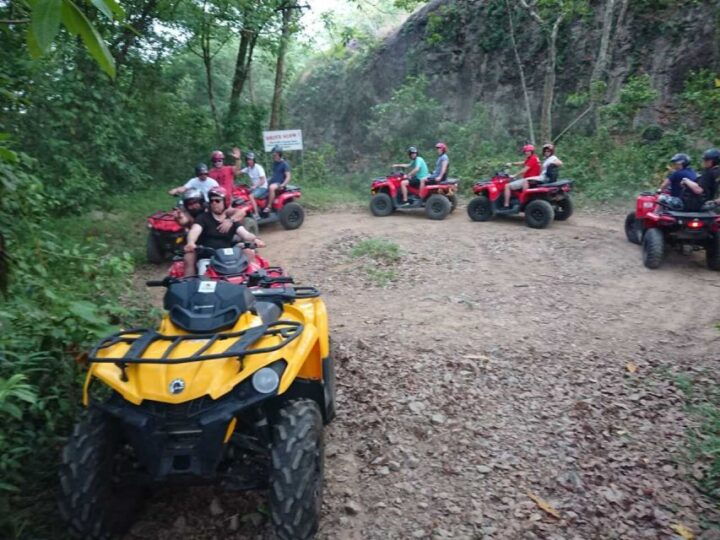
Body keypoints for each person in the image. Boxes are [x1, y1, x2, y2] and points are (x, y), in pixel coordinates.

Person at [183, 187, 265, 277]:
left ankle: (255, 280)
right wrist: (191, 242)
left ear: (225, 202)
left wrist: (255, 239)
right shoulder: (202, 218)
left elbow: (245, 234)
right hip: (207, 258)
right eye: (211, 201)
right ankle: (189, 282)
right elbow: (195, 230)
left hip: (228, 258)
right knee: (204, 280)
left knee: (249, 252)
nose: (214, 203)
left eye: (217, 201)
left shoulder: (231, 221)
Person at [238, 151, 267, 218]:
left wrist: (255, 186)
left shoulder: (258, 168)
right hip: (255, 188)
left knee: (251, 196)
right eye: (248, 159)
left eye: (250, 159)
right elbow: (238, 172)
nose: (249, 161)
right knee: (243, 193)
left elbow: (263, 180)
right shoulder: (248, 168)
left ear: (254, 160)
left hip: (262, 187)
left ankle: (257, 214)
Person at [265, 146, 291, 215]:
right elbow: (275, 174)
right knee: (263, 185)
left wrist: (283, 185)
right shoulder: (275, 163)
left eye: (275, 154)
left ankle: (269, 206)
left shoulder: (284, 164)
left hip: (280, 183)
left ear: (279, 154)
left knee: (271, 187)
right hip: (274, 182)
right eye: (273, 154)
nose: (273, 156)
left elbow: (288, 177)